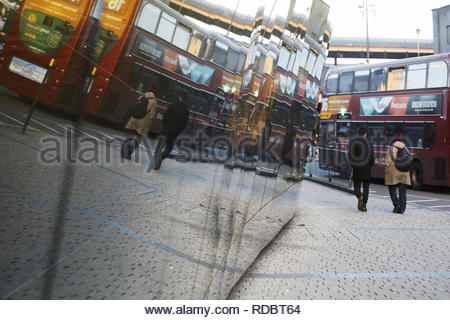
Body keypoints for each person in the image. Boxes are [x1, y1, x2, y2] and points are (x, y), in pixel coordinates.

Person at [153, 92, 189, 170]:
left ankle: (154, 162)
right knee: (169, 148)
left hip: (166, 129)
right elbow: (184, 125)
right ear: (186, 100)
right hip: (174, 133)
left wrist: (165, 124)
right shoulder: (186, 110)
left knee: (159, 146)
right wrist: (178, 131)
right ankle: (161, 157)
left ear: (180, 97)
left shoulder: (173, 105)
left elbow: (165, 116)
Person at [123, 85, 158, 160]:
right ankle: (130, 151)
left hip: (135, 119)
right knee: (139, 138)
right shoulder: (154, 101)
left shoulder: (141, 97)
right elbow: (152, 115)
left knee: (130, 136)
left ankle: (124, 152)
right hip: (143, 123)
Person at [348, 126, 375, 212]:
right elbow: (372, 158)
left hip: (357, 168)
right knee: (366, 188)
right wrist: (369, 165)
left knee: (356, 187)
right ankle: (364, 205)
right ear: (365, 134)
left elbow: (350, 157)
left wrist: (353, 166)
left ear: (357, 133)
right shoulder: (369, 143)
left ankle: (359, 197)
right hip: (367, 168)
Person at [385, 140, 411, 214]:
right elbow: (410, 159)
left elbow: (388, 162)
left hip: (393, 172)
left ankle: (397, 204)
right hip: (404, 172)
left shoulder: (390, 149)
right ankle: (402, 209)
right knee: (402, 191)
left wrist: (386, 172)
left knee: (392, 189)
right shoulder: (405, 148)